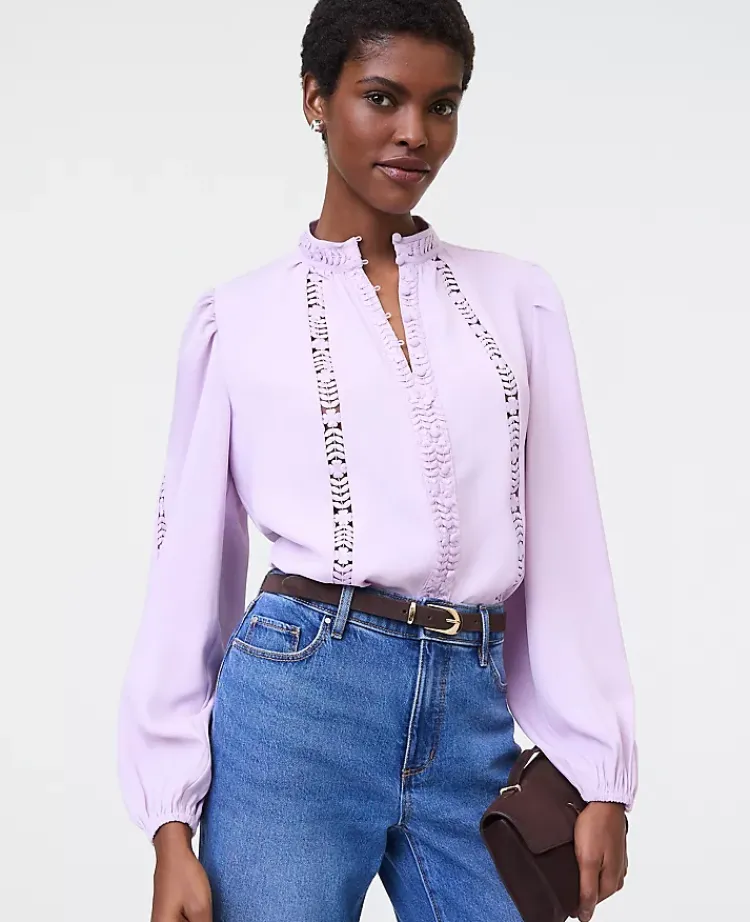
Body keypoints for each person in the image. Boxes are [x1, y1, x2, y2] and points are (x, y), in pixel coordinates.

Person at [116, 1, 638, 920]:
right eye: (383, 97)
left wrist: (600, 772)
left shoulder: (517, 301)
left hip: (471, 711)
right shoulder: (238, 320)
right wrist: (169, 824)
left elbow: (568, 545)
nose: (415, 133)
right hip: (298, 709)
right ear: (315, 99)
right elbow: (188, 567)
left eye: (443, 105)